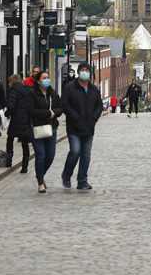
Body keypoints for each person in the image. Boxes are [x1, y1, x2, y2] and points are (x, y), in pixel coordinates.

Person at [60, 61, 102, 190]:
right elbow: (65, 105)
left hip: (89, 128)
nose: (85, 72)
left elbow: (99, 106)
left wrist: (94, 118)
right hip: (74, 127)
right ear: (78, 72)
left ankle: (82, 180)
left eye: (87, 70)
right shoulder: (70, 87)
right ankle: (66, 175)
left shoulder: (94, 89)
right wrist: (75, 117)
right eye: (82, 70)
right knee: (75, 151)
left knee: (86, 155)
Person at [31, 70, 61, 193]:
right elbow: (31, 111)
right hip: (37, 129)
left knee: (50, 155)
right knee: (41, 155)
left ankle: (40, 175)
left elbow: (60, 107)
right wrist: (48, 113)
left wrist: (54, 113)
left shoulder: (52, 93)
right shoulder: (32, 94)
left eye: (48, 77)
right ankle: (40, 183)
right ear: (38, 81)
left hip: (51, 127)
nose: (47, 80)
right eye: (44, 78)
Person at [4, 73, 34, 173]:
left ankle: (9, 160)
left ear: (12, 81)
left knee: (10, 139)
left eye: (9, 82)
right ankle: (24, 166)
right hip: (26, 120)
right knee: (25, 144)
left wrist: (7, 113)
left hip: (16, 120)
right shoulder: (27, 90)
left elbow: (11, 105)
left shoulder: (13, 90)